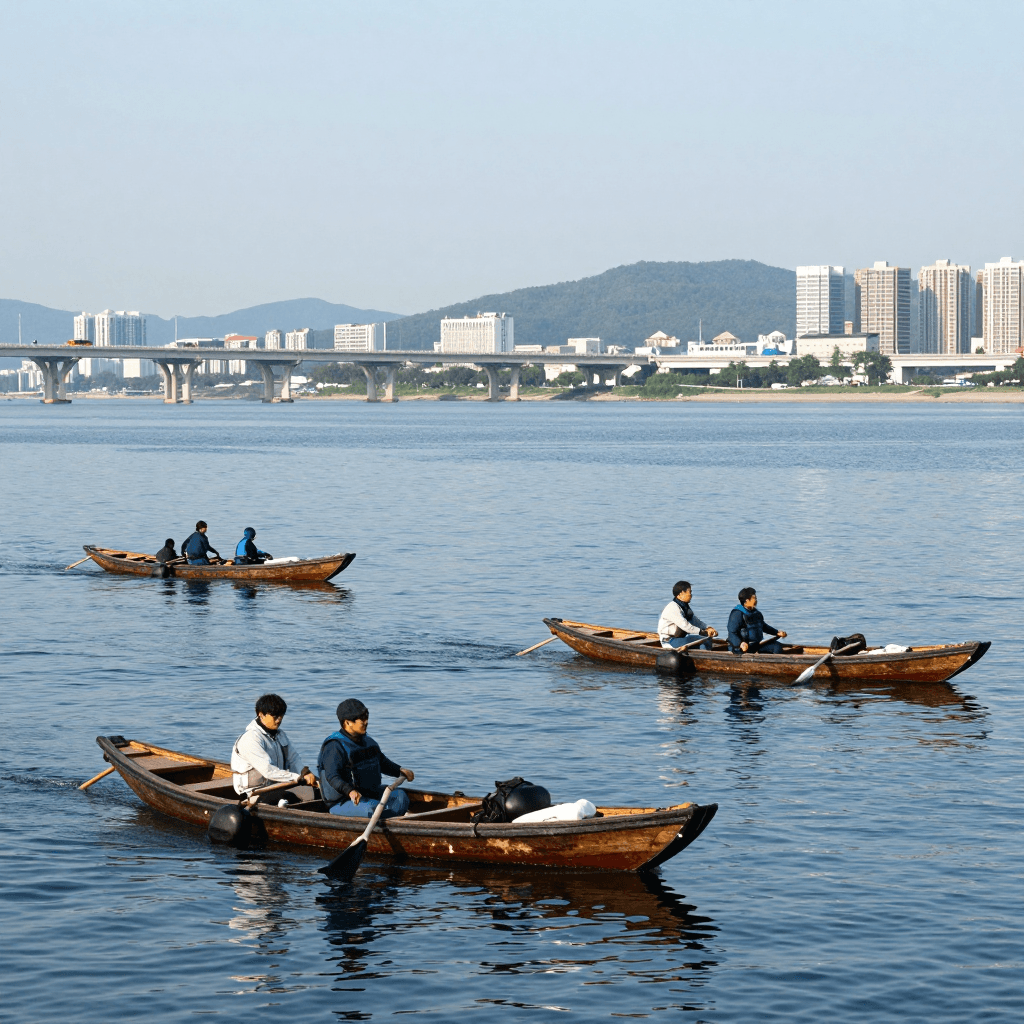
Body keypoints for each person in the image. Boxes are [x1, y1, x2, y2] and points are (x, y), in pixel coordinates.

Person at [317, 698, 414, 819]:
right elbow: (332, 777)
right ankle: (385, 821)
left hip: (370, 794)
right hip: (344, 801)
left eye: (366, 717)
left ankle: (388, 821)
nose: (366, 721)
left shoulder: (368, 741)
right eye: (362, 719)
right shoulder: (334, 747)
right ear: (347, 723)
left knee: (400, 797)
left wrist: (400, 770)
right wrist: (349, 791)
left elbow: (382, 763)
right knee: (373, 808)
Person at [231, 693, 318, 796]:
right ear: (261, 714)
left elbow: (293, 759)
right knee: (292, 798)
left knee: (316, 793)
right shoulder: (250, 739)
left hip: (276, 786)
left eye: (281, 716)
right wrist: (297, 778)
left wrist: (304, 773)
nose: (279, 720)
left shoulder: (280, 735)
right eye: (275, 716)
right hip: (252, 792)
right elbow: (268, 771)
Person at [658, 581, 718, 650]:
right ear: (681, 594)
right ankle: (705, 657)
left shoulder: (684, 607)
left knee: (707, 640)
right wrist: (703, 632)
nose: (691, 595)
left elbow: (696, 621)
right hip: (670, 641)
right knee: (704, 640)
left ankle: (704, 656)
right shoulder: (673, 608)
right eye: (689, 592)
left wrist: (708, 628)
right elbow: (686, 626)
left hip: (680, 639)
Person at [727, 587, 787, 654]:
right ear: (747, 600)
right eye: (754, 598)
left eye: (756, 598)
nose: (756, 600)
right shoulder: (737, 614)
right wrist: (740, 643)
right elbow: (732, 632)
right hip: (741, 648)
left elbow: (763, 626)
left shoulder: (757, 613)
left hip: (756, 645)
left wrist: (776, 632)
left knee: (777, 646)